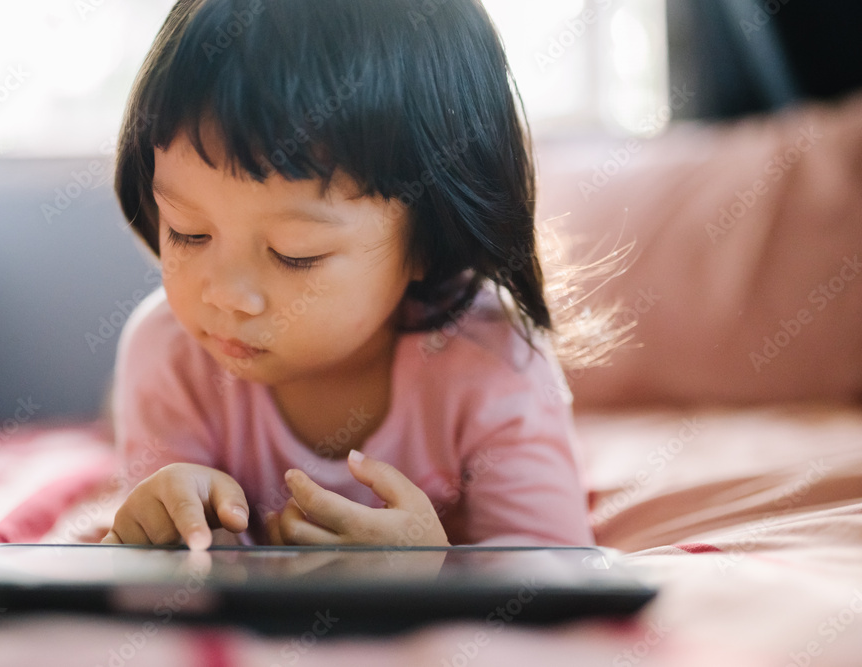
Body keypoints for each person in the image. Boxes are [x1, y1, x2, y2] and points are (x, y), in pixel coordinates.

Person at [101, 0, 594, 549]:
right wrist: (177, 531)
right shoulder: (170, 355)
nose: (226, 296)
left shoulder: (495, 359)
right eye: (189, 233)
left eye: (295, 254)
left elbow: (557, 572)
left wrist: (433, 570)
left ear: (429, 239)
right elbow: (181, 582)